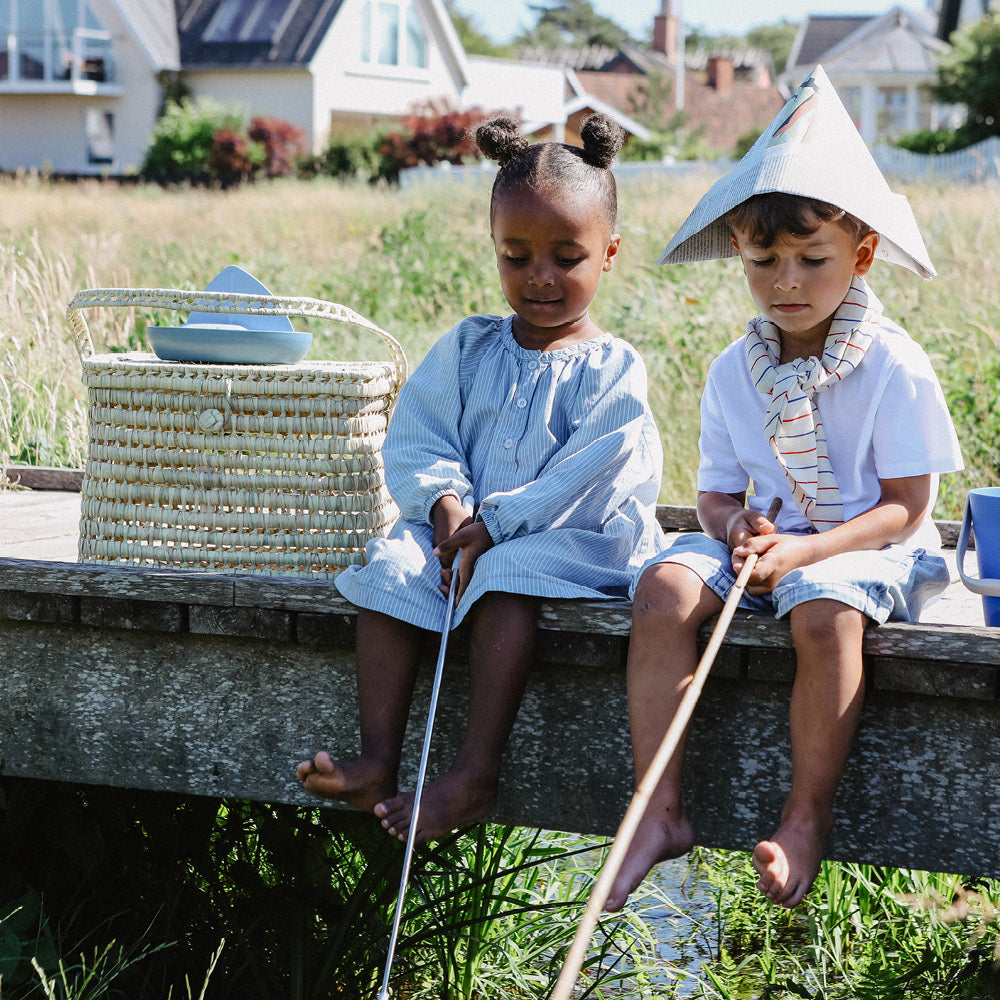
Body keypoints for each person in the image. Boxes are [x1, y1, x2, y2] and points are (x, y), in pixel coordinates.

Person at [605, 66, 963, 912]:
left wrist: (804, 549)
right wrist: (734, 531)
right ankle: (655, 813)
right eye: (765, 259)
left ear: (862, 253)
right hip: (767, 549)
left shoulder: (892, 364)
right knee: (662, 586)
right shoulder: (738, 370)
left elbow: (909, 510)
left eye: (813, 259)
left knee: (823, 606)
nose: (787, 282)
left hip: (868, 550)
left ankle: (805, 815)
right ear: (739, 249)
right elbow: (719, 494)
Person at [297, 113, 664, 844]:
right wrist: (443, 509)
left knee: (509, 573)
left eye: (567, 256)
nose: (540, 277)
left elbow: (589, 469)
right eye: (516, 254)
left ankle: (473, 774)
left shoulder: (614, 368)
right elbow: (420, 435)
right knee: (394, 564)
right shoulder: (467, 346)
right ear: (493, 249)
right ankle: (376, 757)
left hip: (572, 540)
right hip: (461, 533)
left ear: (610, 253)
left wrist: (497, 523)